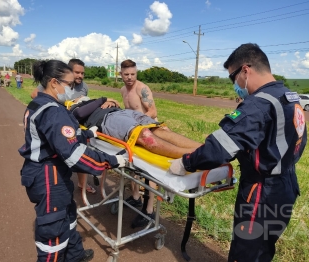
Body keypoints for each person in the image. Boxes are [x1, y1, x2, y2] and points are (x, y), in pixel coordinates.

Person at [169, 43, 307, 262]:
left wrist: (185, 162)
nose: (234, 85)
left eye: (232, 78)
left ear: (245, 70)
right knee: (263, 248)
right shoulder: (288, 95)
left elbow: (218, 149)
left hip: (261, 192)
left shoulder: (257, 105)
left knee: (245, 252)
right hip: (286, 185)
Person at [18, 59, 125, 262]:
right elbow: (74, 153)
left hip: (52, 173)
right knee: (53, 235)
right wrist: (111, 161)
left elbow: (58, 138)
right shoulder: (52, 111)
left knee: (67, 217)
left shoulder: (40, 103)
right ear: (53, 82)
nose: (72, 89)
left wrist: (87, 134)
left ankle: (75, 256)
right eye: (68, 84)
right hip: (48, 177)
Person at [31, 59, 98, 194]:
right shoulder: (54, 84)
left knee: (80, 150)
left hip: (76, 122)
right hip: (60, 123)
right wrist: (65, 103)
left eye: (82, 73)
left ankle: (82, 184)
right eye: (77, 72)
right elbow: (34, 95)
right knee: (62, 154)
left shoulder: (84, 87)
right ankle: (57, 182)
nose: (80, 76)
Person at [71, 98, 201, 159]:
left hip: (125, 112)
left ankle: (207, 148)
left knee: (160, 130)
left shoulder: (95, 100)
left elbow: (116, 102)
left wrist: (111, 102)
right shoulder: (73, 107)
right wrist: (103, 100)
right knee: (145, 135)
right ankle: (195, 156)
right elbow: (79, 114)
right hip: (107, 119)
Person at [120, 59, 159, 227]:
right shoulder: (123, 89)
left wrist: (138, 126)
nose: (130, 77)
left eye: (133, 74)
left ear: (137, 73)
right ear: (121, 74)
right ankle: (136, 197)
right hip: (134, 132)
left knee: (150, 171)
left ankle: (149, 210)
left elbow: (152, 111)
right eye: (126, 74)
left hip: (148, 131)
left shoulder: (141, 88)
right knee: (132, 166)